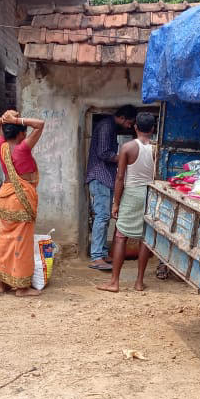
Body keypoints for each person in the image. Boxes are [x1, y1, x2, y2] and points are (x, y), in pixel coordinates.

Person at [97, 112, 157, 292]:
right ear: (153, 129)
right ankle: (139, 282)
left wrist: (116, 203)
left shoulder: (127, 148)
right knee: (145, 239)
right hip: (150, 194)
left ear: (136, 127)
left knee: (121, 237)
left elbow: (120, 177)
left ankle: (114, 282)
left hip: (131, 194)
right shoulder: (157, 148)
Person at [0, 110, 46, 297]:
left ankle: (5, 283)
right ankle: (22, 287)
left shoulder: (2, 146)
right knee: (22, 243)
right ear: (21, 133)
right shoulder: (23, 148)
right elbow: (40, 124)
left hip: (6, 197)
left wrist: (4, 119)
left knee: (6, 241)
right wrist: (16, 119)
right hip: (21, 198)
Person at [86, 105, 137, 271]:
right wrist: (123, 158)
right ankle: (96, 257)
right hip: (99, 176)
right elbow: (103, 153)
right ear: (121, 117)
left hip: (104, 177)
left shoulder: (110, 127)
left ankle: (101, 252)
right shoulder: (106, 126)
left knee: (104, 216)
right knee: (102, 216)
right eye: (129, 122)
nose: (129, 126)